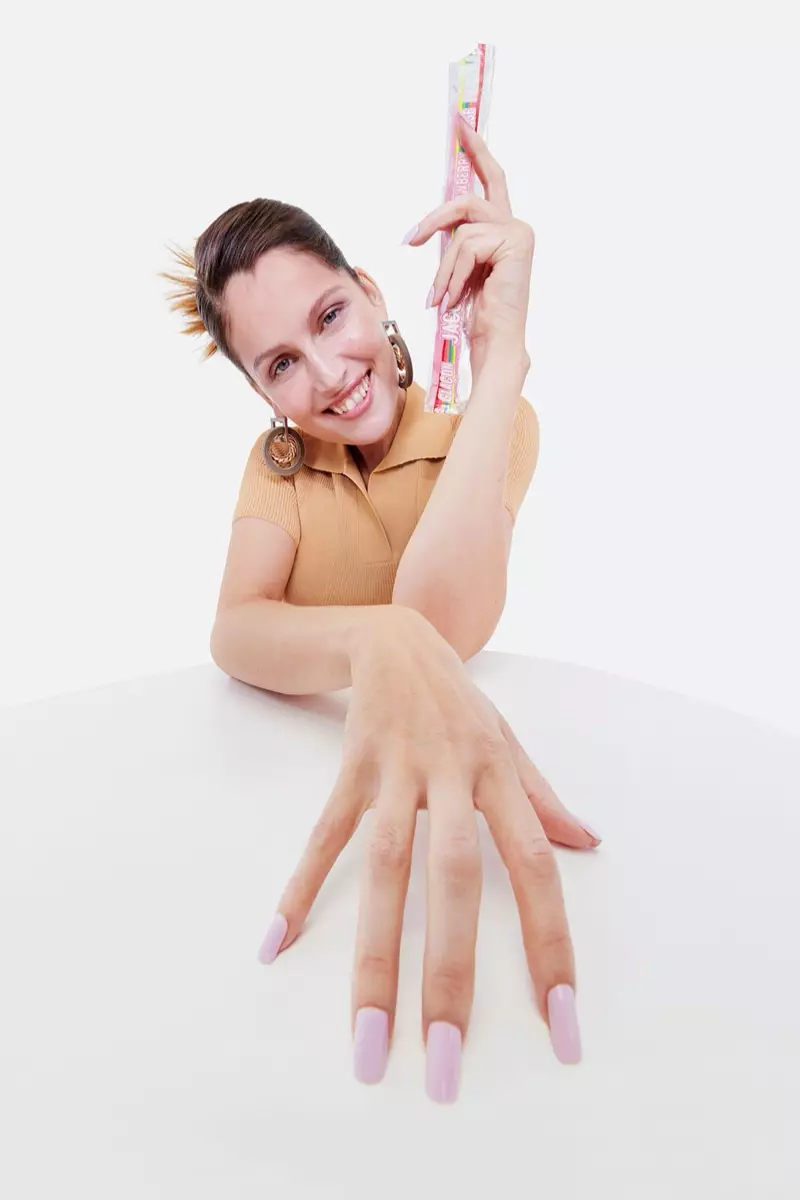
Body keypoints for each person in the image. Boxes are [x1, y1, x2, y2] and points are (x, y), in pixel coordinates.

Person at [159, 113, 600, 1104]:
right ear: (259, 393)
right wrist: (374, 633)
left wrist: (501, 362)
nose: (325, 376)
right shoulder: (281, 466)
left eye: (327, 318)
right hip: (246, 812)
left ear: (369, 289)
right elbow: (235, 628)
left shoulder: (486, 430)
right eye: (278, 365)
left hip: (443, 825)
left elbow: (443, 624)